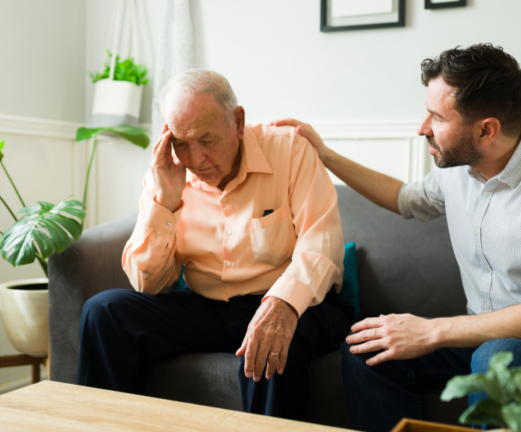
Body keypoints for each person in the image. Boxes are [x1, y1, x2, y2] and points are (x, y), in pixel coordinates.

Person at [272, 44, 521, 432]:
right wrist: (325, 155)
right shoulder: (460, 169)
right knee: (366, 349)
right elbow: (404, 199)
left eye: (436, 116)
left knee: (495, 359)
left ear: (486, 130)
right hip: (483, 338)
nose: (423, 128)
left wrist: (432, 331)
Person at [76, 69, 353, 421]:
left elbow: (321, 242)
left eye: (206, 140)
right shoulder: (167, 174)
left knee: (275, 341)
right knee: (103, 311)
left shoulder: (290, 150)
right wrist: (166, 203)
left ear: (237, 122)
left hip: (295, 304)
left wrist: (285, 302)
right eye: (181, 142)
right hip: (208, 308)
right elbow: (148, 283)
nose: (195, 159)